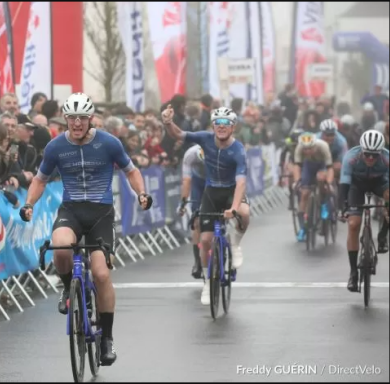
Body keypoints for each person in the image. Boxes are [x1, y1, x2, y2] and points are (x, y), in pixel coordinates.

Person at [19, 92, 153, 367]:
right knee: (60, 247)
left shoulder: (109, 143)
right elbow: (40, 180)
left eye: (82, 118)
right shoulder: (56, 147)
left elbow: (131, 171)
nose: (77, 123)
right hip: (72, 211)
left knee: (102, 274)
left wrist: (141, 194)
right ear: (66, 120)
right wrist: (29, 204)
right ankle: (69, 289)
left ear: (91, 119)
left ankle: (107, 339)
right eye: (72, 118)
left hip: (100, 213)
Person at [162, 105, 250, 306]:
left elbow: (242, 183)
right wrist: (168, 122)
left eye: (226, 123)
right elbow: (179, 135)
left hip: (230, 191)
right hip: (211, 192)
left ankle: (235, 244)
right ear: (213, 125)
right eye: (218, 123)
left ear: (233, 127)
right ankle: (206, 280)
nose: (221, 126)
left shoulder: (238, 150)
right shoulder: (204, 139)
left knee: (245, 212)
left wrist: (234, 208)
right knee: (206, 238)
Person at [339, 130, 389, 292]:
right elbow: (344, 184)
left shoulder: (387, 158)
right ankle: (353, 273)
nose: (370, 158)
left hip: (379, 183)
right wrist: (343, 207)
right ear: (361, 150)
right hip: (356, 186)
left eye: (374, 155)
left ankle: (382, 235)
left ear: (380, 152)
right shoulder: (351, 157)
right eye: (367, 154)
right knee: (354, 224)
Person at [292, 132, 334, 242]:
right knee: (304, 193)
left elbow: (330, 168)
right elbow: (297, 166)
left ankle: (324, 203)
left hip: (322, 164)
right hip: (308, 166)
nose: (307, 151)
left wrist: (328, 183)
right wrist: (297, 182)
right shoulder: (299, 148)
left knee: (321, 178)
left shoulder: (323, 146)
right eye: (305, 149)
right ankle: (302, 228)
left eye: (310, 148)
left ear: (315, 145)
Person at [178, 144, 206, 279]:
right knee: (197, 221)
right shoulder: (191, 154)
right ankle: (198, 262)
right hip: (198, 182)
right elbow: (187, 180)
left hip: (216, 179)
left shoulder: (222, 150)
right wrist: (183, 203)